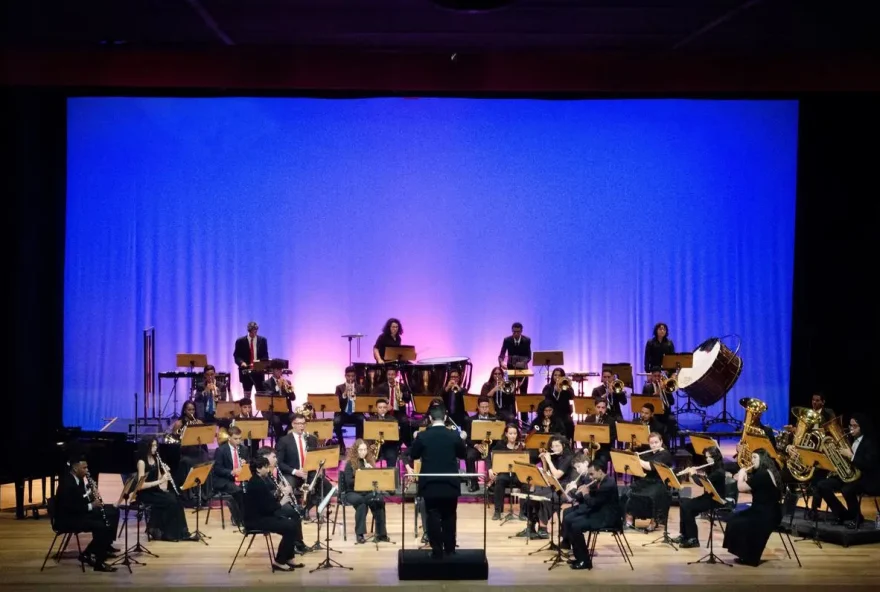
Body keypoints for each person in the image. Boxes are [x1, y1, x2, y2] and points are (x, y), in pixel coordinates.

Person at [408, 404, 467, 558]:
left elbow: (413, 455)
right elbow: (463, 455)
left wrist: (416, 439)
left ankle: (437, 551)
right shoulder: (454, 435)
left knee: (432, 516)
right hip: (450, 483)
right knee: (449, 515)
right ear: (446, 418)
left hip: (430, 484)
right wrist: (462, 439)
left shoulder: (423, 436)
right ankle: (450, 549)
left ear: (429, 419)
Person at [54, 455, 120, 571]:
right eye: (84, 468)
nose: (87, 471)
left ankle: (102, 548)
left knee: (112, 512)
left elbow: (80, 499)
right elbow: (70, 507)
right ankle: (97, 561)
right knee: (101, 526)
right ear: (75, 468)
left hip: (78, 513)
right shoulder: (67, 483)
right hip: (68, 519)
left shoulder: (77, 479)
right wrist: (92, 505)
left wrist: (91, 493)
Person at [815, 413, 879, 528]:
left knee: (847, 489)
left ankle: (857, 517)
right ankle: (842, 514)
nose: (851, 429)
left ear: (862, 426)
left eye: (855, 426)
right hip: (850, 476)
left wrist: (851, 456)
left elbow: (869, 464)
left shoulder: (870, 442)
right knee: (822, 485)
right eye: (850, 425)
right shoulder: (849, 439)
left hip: (865, 478)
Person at [242, 455, 305, 571]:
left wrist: (277, 492)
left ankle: (289, 558)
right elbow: (269, 508)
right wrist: (283, 501)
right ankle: (280, 561)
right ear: (258, 469)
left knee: (292, 524)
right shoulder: (257, 484)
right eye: (266, 467)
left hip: (262, 516)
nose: (268, 469)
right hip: (256, 520)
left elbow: (267, 501)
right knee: (290, 526)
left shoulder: (259, 480)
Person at [723, 448, 783, 566]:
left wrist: (741, 475)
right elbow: (754, 487)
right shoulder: (768, 471)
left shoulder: (763, 474)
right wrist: (743, 478)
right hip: (765, 510)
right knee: (734, 518)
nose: (752, 460)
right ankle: (744, 554)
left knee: (737, 522)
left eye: (755, 457)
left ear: (763, 459)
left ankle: (749, 557)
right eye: (752, 457)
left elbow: (741, 488)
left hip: (767, 514)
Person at [561, 457, 621, 570]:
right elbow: (591, 500)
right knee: (569, 519)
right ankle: (579, 557)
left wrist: (585, 494)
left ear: (600, 471)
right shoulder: (599, 481)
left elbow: (593, 503)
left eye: (592, 474)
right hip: (599, 512)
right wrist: (578, 491)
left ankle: (585, 560)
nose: (590, 477)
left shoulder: (608, 484)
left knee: (576, 525)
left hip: (607, 517)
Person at [135, 436, 197, 541]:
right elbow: (140, 486)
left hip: (155, 490)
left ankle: (183, 533)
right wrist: (160, 481)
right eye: (152, 446)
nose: (155, 448)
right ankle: (169, 534)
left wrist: (165, 473)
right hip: (145, 493)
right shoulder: (141, 462)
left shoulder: (156, 459)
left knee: (177, 499)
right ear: (147, 447)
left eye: (155, 445)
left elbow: (159, 478)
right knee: (171, 501)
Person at [673, 445, 725, 548]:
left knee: (688, 507)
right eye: (706, 457)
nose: (707, 459)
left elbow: (702, 483)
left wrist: (693, 474)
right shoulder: (713, 467)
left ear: (715, 457)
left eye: (709, 457)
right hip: (708, 497)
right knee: (683, 503)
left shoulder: (719, 472)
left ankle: (693, 539)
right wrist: (696, 472)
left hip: (715, 499)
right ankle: (684, 535)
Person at [621, 432, 673, 531]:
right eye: (651, 443)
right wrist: (633, 457)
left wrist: (637, 459)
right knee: (629, 492)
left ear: (661, 442)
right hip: (646, 481)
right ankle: (629, 518)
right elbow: (640, 465)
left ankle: (654, 521)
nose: (654, 445)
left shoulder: (664, 454)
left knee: (652, 495)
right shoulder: (649, 453)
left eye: (656, 442)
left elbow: (650, 466)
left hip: (659, 482)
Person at [341, 439, 390, 544]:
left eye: (365, 450)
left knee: (378, 500)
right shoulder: (350, 464)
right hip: (352, 492)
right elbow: (348, 482)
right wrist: (360, 475)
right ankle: (360, 534)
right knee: (361, 502)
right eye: (360, 450)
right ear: (356, 450)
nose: (363, 452)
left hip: (366, 492)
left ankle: (381, 534)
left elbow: (375, 481)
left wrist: (371, 471)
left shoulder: (369, 462)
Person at [487, 423, 526, 520]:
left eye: (515, 433)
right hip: (504, 473)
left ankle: (523, 512)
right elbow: (489, 456)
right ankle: (498, 511)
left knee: (525, 483)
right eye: (510, 433)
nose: (513, 436)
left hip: (517, 474)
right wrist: (490, 469)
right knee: (499, 481)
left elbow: (528, 459)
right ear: (506, 434)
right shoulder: (500, 445)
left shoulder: (521, 445)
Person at [211, 426, 248, 525]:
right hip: (225, 479)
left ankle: (247, 516)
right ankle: (239, 518)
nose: (238, 441)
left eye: (240, 438)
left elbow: (250, 466)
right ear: (229, 438)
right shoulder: (221, 450)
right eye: (236, 439)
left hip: (241, 478)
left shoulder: (244, 449)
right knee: (238, 491)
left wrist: (245, 464)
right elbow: (217, 469)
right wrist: (232, 472)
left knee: (252, 488)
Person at [463, 396, 497, 492]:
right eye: (483, 407)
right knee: (469, 456)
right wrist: (476, 446)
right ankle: (474, 483)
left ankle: (492, 484)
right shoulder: (470, 420)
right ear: (478, 407)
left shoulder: (494, 419)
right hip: (476, 446)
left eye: (487, 407)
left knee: (496, 455)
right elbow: (467, 438)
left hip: (491, 446)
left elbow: (499, 436)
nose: (485, 409)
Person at [261, 359, 296, 439]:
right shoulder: (266, 383)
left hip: (286, 412)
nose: (280, 372)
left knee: (295, 418)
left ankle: (284, 436)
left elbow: (293, 398)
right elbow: (269, 397)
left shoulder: (287, 382)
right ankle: (279, 440)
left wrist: (288, 389)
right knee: (276, 421)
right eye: (277, 370)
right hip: (274, 412)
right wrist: (278, 387)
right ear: (273, 370)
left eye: (281, 369)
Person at [334, 365, 365, 453]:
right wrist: (344, 394)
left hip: (356, 412)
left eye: (352, 376)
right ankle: (341, 444)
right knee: (336, 422)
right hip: (343, 413)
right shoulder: (339, 388)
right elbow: (336, 403)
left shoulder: (360, 388)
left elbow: (363, 402)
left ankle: (357, 445)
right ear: (345, 376)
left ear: (355, 376)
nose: (350, 378)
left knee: (362, 420)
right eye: (348, 376)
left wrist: (356, 396)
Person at [234, 321, 268, 396]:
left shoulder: (262, 340)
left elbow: (265, 355)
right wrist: (241, 362)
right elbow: (236, 356)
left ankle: (260, 407)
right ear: (249, 331)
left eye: (255, 332)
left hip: (259, 372)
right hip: (246, 372)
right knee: (246, 396)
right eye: (252, 332)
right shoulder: (240, 341)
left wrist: (261, 364)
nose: (254, 334)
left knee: (261, 395)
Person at [498, 322, 531, 395]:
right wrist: (501, 362)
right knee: (509, 391)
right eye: (514, 332)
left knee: (523, 392)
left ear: (521, 331)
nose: (516, 333)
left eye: (518, 332)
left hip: (523, 369)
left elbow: (529, 356)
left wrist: (523, 363)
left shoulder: (527, 340)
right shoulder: (507, 340)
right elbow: (501, 355)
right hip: (510, 368)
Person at [542, 368, 574, 440]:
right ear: (552, 376)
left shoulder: (566, 386)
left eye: (559, 375)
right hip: (551, 412)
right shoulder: (548, 387)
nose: (557, 377)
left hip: (564, 413)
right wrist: (555, 390)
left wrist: (565, 389)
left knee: (569, 423)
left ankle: (567, 442)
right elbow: (546, 398)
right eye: (555, 375)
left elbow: (572, 396)